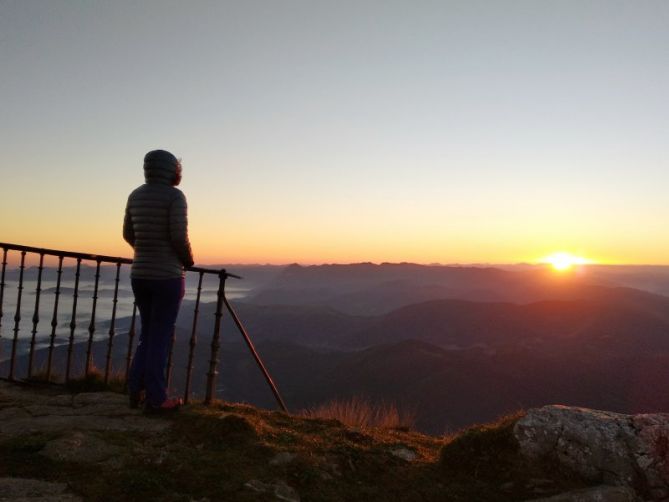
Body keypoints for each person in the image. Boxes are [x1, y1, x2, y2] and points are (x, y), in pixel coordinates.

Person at [123, 149, 194, 413]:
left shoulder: (135, 195)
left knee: (148, 333)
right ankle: (156, 398)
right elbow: (178, 236)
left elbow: (128, 233)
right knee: (160, 337)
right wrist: (187, 260)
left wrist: (145, 251)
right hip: (167, 276)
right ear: (172, 170)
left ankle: (135, 387)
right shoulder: (175, 196)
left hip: (139, 274)